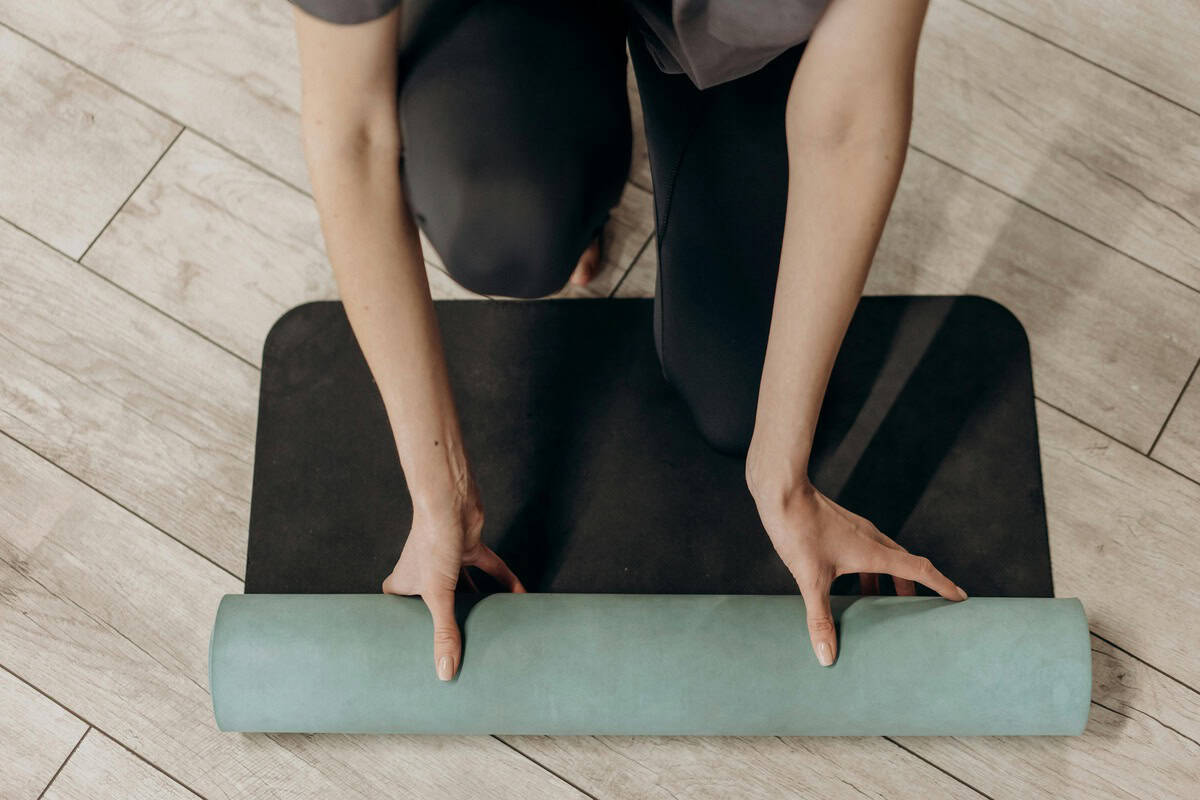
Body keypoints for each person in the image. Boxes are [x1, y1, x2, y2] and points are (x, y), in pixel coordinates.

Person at [288, 0, 966, 682]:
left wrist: (782, 481)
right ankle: (568, 163)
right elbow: (351, 134)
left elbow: (850, 124)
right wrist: (442, 499)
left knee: (743, 397)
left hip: (728, 28)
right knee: (505, 227)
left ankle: (639, 105)